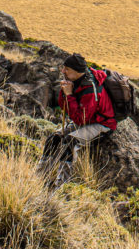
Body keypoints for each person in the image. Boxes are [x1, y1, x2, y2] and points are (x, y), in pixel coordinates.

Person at [41, 53, 116, 183]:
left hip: (102, 123)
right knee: (53, 139)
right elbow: (64, 106)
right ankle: (41, 176)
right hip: (88, 119)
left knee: (70, 142)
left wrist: (69, 94)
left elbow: (80, 119)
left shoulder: (90, 89)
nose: (63, 71)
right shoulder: (75, 81)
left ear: (77, 71)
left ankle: (62, 183)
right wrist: (64, 92)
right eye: (63, 68)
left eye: (67, 69)